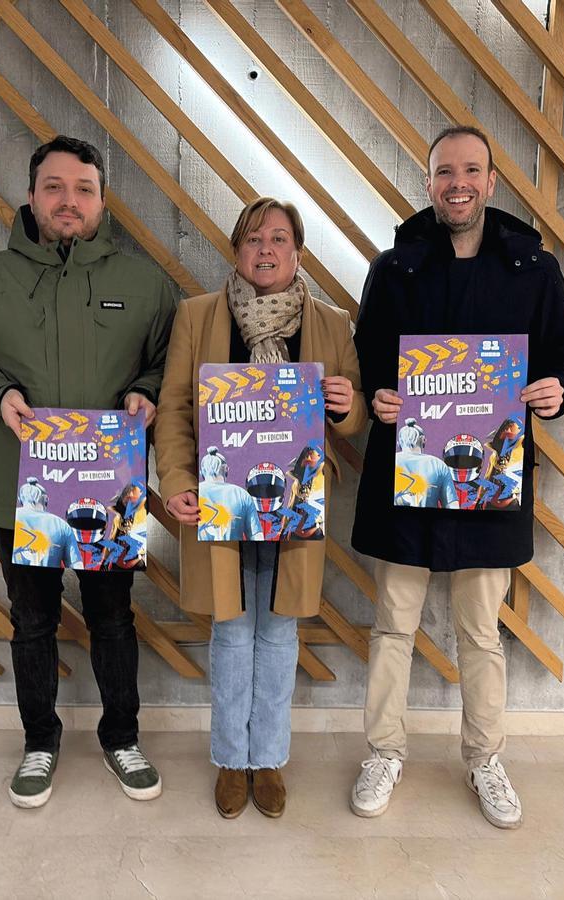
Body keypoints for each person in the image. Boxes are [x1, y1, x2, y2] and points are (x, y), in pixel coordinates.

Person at [0, 135, 176, 809]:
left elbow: (168, 363)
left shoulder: (143, 283)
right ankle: (39, 742)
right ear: (32, 195)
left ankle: (122, 737)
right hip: (22, 492)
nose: (69, 201)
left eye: (83, 189)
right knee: (31, 622)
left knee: (113, 618)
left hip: (109, 490)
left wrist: (147, 389)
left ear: (101, 199)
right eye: (55, 187)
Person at [349, 126, 564, 828]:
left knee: (481, 633)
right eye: (445, 171)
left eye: (472, 170)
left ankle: (485, 759)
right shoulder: (394, 268)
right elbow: (367, 361)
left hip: (490, 482)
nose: (459, 182)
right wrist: (380, 395)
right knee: (393, 627)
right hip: (411, 478)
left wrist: (554, 389)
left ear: (490, 181)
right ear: (429, 183)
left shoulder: (535, 269)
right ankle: (385, 752)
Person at [156, 197, 367, 819]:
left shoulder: (329, 323)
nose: (266, 249)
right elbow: (172, 408)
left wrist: (342, 402)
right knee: (229, 630)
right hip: (220, 503)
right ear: (236, 250)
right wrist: (173, 478)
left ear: (297, 252)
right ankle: (230, 758)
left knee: (278, 631)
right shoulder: (197, 316)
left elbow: (353, 421)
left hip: (293, 501)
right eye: (253, 238)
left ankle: (268, 757)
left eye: (279, 238)